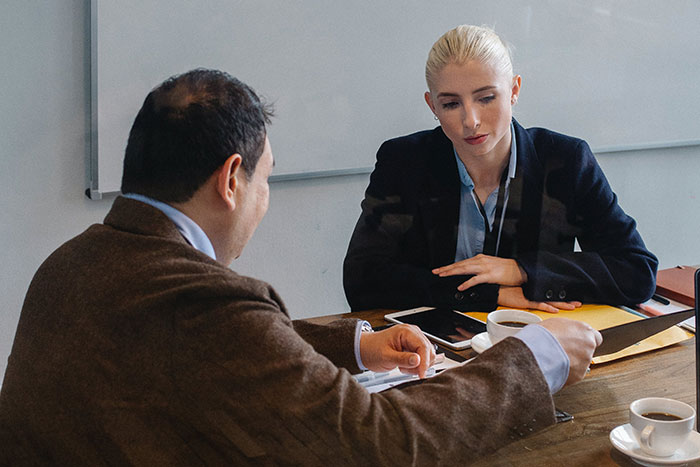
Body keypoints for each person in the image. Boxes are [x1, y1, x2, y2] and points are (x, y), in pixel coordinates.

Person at [0, 69, 601, 466]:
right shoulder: (205, 306)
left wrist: (357, 343)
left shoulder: (70, 263)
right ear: (231, 180)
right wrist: (533, 357)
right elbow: (381, 443)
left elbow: (199, 349)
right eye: (267, 178)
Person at [343, 25, 658, 314]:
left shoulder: (566, 161)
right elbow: (362, 281)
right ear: (433, 106)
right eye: (452, 104)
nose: (471, 120)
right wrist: (489, 294)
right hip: (432, 349)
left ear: (514, 90)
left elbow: (636, 271)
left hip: (536, 341)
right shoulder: (404, 161)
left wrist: (521, 269)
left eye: (486, 98)